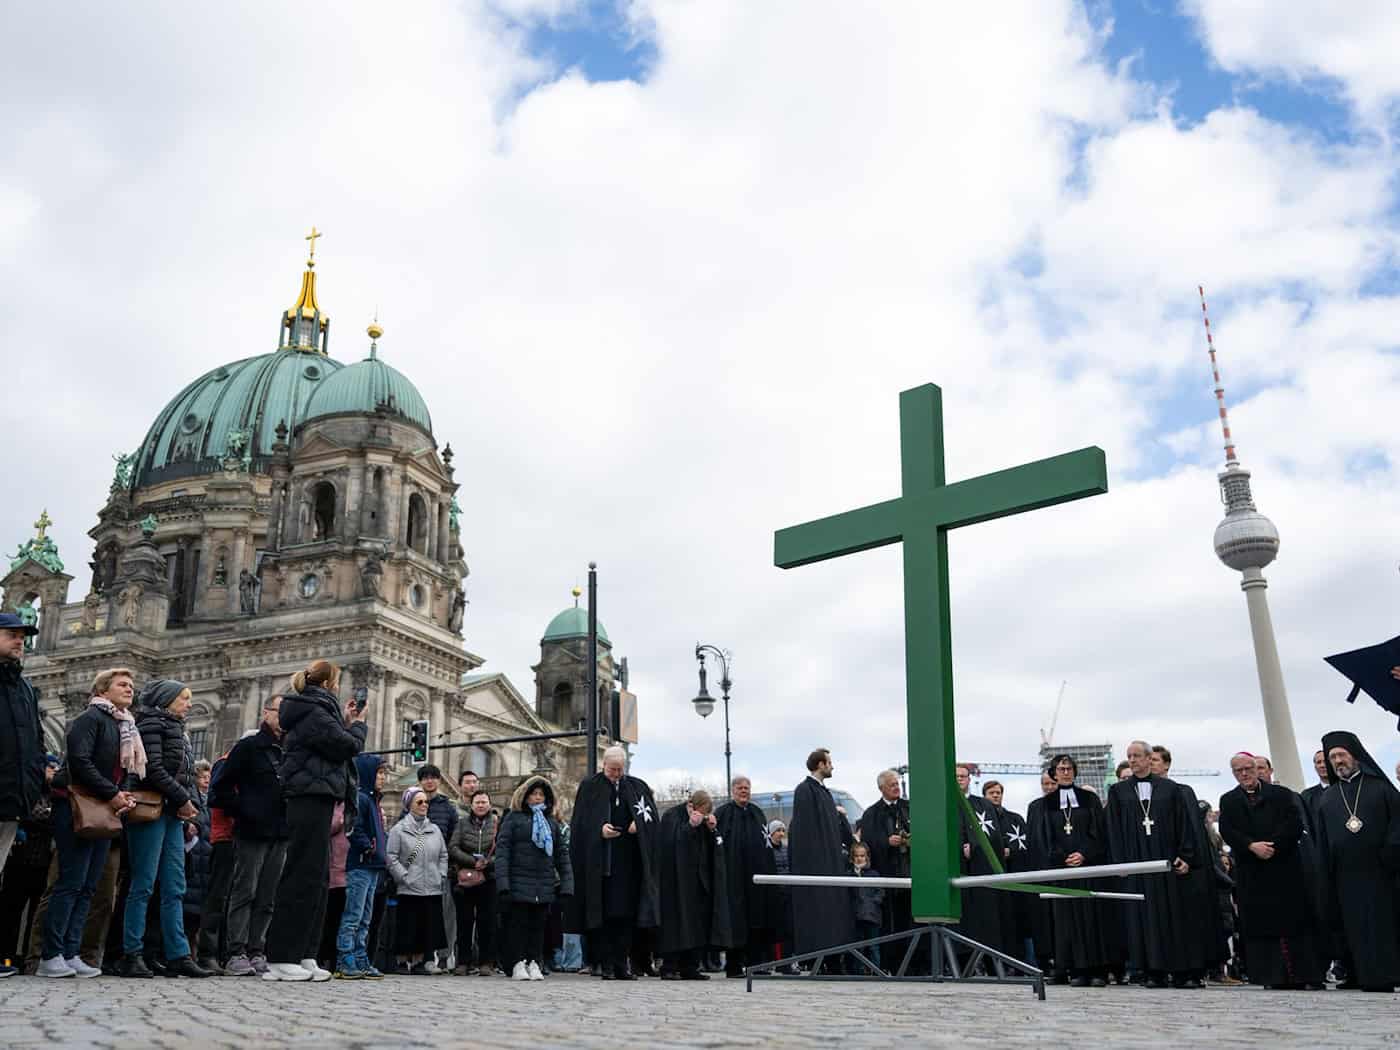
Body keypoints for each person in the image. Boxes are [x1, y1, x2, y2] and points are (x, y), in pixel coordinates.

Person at [263, 659, 367, 982]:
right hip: (308, 796)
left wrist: (345, 721)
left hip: (320, 795)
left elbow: (332, 742)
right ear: (326, 683)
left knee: (318, 878)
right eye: (336, 681)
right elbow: (347, 746)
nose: (338, 687)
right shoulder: (312, 710)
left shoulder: (318, 711)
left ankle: (305, 953)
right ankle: (281, 957)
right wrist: (358, 725)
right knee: (301, 875)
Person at [38, 669, 140, 979]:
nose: (129, 689)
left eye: (131, 685)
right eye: (122, 684)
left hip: (103, 808)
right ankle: (50, 955)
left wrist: (123, 794)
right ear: (103, 690)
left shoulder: (124, 725)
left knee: (88, 886)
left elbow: (123, 770)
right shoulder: (90, 719)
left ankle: (71, 953)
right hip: (77, 807)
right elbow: (80, 762)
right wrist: (113, 793)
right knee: (70, 882)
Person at [118, 679, 210, 978]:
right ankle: (131, 952)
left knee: (175, 886)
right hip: (151, 810)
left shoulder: (178, 729)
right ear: (167, 699)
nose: (189, 703)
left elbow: (185, 775)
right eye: (184, 698)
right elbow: (152, 769)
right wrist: (183, 799)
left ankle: (178, 954)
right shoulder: (149, 725)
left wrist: (188, 808)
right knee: (143, 884)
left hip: (172, 813)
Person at [1217, 752, 1324, 989]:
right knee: (1261, 926)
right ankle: (1272, 977)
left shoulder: (1282, 795)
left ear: (1257, 769)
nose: (1244, 774)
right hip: (1252, 871)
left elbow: (1294, 824)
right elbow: (1227, 830)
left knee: (1296, 924)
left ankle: (1305, 976)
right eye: (1238, 771)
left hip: (1284, 867)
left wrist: (1272, 846)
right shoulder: (1229, 800)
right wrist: (1251, 846)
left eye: (1248, 769)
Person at [1105, 740, 1205, 988]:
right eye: (1129, 756)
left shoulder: (1171, 789)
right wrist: (1119, 863)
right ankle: (1152, 971)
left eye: (1137, 755)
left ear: (1149, 759)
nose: (1132, 760)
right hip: (1136, 863)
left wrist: (1186, 855)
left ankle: (1181, 971)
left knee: (1174, 916)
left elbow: (1184, 824)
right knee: (1144, 917)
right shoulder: (1118, 792)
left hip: (1166, 860)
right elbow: (1113, 830)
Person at [1314, 730, 1400, 991]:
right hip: (1345, 875)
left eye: (1341, 755)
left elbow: (1397, 824)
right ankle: (1362, 975)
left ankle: (1389, 974)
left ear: (1355, 755)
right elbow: (1323, 838)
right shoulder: (1328, 797)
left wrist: (1390, 854)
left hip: (1382, 871)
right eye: (1332, 757)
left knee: (1383, 924)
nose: (1337, 761)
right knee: (1355, 926)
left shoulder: (1382, 788)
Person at [213, 694, 289, 977]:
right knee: (245, 892)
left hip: (280, 834)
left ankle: (257, 949)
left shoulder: (290, 749)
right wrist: (245, 810)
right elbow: (220, 788)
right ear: (265, 713)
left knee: (268, 897)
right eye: (279, 711)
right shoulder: (248, 747)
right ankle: (236, 952)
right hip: (251, 832)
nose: (284, 717)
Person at [569, 745, 660, 981]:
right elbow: (580, 823)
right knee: (605, 916)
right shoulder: (590, 786)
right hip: (602, 865)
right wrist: (599, 830)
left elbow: (651, 819)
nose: (616, 775)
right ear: (604, 766)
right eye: (612, 770)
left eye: (620, 770)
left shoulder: (637, 787)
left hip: (629, 864)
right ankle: (605, 964)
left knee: (626, 917)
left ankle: (622, 965)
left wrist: (639, 825)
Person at [1031, 754, 1117, 986]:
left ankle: (1096, 970)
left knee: (1092, 919)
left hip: (1088, 868)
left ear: (1075, 772)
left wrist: (1084, 854)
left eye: (1069, 768)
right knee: (1065, 921)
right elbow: (1045, 836)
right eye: (1061, 769)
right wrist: (1062, 856)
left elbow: (1098, 830)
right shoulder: (1046, 803)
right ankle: (1072, 969)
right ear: (1054, 773)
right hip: (1062, 870)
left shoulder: (1089, 798)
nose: (1066, 772)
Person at [0, 610, 45, 974]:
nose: (20, 641)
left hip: (12, 798)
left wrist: (31, 785)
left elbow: (35, 743)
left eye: (22, 636)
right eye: (11, 634)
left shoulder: (25, 688)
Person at [496, 775, 573, 981]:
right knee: (518, 925)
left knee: (539, 927)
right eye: (533, 794)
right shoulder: (513, 819)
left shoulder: (551, 823)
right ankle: (517, 962)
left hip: (543, 882)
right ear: (525, 796)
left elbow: (562, 855)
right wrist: (503, 883)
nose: (537, 798)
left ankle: (534, 961)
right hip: (518, 881)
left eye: (541, 794)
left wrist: (567, 883)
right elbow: (502, 852)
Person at [655, 788, 732, 980]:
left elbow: (713, 847)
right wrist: (690, 826)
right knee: (676, 926)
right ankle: (669, 966)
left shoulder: (702, 820)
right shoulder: (672, 816)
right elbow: (671, 844)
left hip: (699, 882)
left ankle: (691, 966)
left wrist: (711, 829)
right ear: (692, 806)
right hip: (676, 883)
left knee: (698, 926)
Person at [788, 748, 854, 971]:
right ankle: (820, 960)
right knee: (819, 914)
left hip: (830, 864)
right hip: (817, 865)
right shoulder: (805, 790)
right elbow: (805, 830)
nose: (832, 766)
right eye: (829, 762)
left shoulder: (824, 793)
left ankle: (833, 959)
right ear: (820, 765)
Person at [714, 775, 776, 978]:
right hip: (733, 878)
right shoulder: (723, 813)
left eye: (747, 788)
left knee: (756, 921)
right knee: (736, 922)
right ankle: (733, 966)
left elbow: (766, 844)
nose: (744, 791)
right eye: (740, 788)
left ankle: (755, 965)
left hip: (755, 878)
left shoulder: (757, 813)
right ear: (733, 790)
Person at [955, 763, 1016, 960]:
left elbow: (994, 837)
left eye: (963, 776)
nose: (960, 779)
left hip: (981, 871)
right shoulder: (943, 804)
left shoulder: (984, 805)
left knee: (987, 918)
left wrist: (974, 845)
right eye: (956, 776)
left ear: (969, 779)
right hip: (958, 870)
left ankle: (992, 961)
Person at [387, 787, 449, 974]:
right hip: (409, 887)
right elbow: (391, 857)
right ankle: (401, 961)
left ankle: (419, 962)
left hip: (432, 886)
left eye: (426, 801)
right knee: (407, 925)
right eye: (419, 802)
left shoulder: (435, 829)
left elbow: (443, 855)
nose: (424, 805)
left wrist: (441, 874)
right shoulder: (399, 830)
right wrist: (403, 877)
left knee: (426, 925)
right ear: (409, 805)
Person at [337, 754, 388, 980]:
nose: (383, 778)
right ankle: (345, 958)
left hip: (372, 866)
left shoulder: (373, 800)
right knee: (353, 916)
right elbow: (354, 829)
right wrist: (369, 848)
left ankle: (360, 956)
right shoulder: (361, 798)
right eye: (379, 773)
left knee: (365, 918)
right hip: (360, 865)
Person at [195, 743, 237, 972]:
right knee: (218, 897)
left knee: (232, 899)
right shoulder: (225, 763)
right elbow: (218, 797)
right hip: (225, 837)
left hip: (241, 837)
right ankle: (208, 953)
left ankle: (224, 954)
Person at [448, 787, 498, 977]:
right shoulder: (462, 823)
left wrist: (487, 863)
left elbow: (502, 850)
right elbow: (453, 847)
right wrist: (472, 861)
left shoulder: (496, 823)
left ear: (489, 804)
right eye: (477, 802)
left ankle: (486, 962)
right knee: (464, 921)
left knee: (487, 922)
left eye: (484, 802)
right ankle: (463, 962)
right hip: (465, 879)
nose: (481, 805)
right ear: (471, 805)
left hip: (488, 878)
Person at [416, 763, 458, 971]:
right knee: (421, 914)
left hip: (442, 869)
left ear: (439, 781)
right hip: (416, 869)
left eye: (433, 777)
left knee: (445, 915)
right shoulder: (412, 804)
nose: (429, 781)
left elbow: (455, 838)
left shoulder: (448, 807)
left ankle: (444, 956)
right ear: (420, 781)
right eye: (425, 777)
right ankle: (423, 957)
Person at [182, 760, 215, 960]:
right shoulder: (192, 798)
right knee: (187, 908)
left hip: (205, 858)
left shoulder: (209, 800)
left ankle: (192, 952)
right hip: (194, 856)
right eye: (202, 776)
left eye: (208, 777)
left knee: (198, 912)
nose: (206, 780)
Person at [848, 841, 884, 969]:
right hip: (856, 915)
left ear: (867, 857)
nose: (859, 858)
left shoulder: (874, 874)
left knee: (873, 946)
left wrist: (873, 903)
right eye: (856, 856)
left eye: (862, 856)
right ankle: (859, 972)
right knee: (858, 947)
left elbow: (880, 892)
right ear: (852, 858)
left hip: (872, 915)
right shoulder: (849, 874)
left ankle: (876, 972)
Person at [768, 820, 795, 970]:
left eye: (783, 830)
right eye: (778, 830)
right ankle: (776, 961)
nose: (781, 833)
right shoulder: (767, 849)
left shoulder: (786, 849)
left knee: (788, 929)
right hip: (775, 894)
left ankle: (785, 962)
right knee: (777, 929)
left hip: (787, 892)